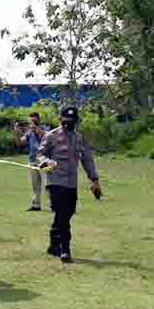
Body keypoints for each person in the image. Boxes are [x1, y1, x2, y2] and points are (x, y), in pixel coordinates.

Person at [36, 105, 102, 263]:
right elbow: (40, 153)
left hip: (71, 184)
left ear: (76, 121)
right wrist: (46, 161)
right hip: (55, 182)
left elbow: (87, 159)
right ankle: (65, 250)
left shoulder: (79, 138)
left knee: (66, 214)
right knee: (63, 214)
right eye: (65, 120)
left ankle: (53, 244)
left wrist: (94, 180)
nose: (68, 124)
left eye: (71, 121)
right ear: (60, 119)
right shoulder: (51, 136)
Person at [14, 111, 50, 211]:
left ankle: (53, 204)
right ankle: (36, 204)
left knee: (48, 183)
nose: (32, 122)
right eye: (31, 121)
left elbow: (47, 137)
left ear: (38, 119)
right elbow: (20, 142)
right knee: (35, 184)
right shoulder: (29, 132)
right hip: (32, 160)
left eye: (34, 120)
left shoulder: (45, 128)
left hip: (44, 160)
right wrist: (16, 132)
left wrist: (37, 129)